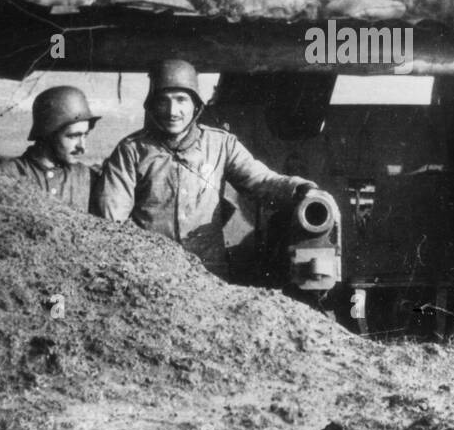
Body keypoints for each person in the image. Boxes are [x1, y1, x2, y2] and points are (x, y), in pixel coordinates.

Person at [96, 59, 317, 275]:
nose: (172, 111)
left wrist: (299, 189)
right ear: (153, 105)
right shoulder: (131, 150)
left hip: (207, 271)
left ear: (196, 105)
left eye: (181, 99)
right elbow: (112, 218)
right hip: (151, 272)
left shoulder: (221, 144)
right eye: (163, 100)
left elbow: (261, 181)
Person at [0, 85, 101, 213]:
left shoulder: (87, 177)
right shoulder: (8, 175)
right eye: (73, 136)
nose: (82, 148)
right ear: (48, 133)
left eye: (85, 135)